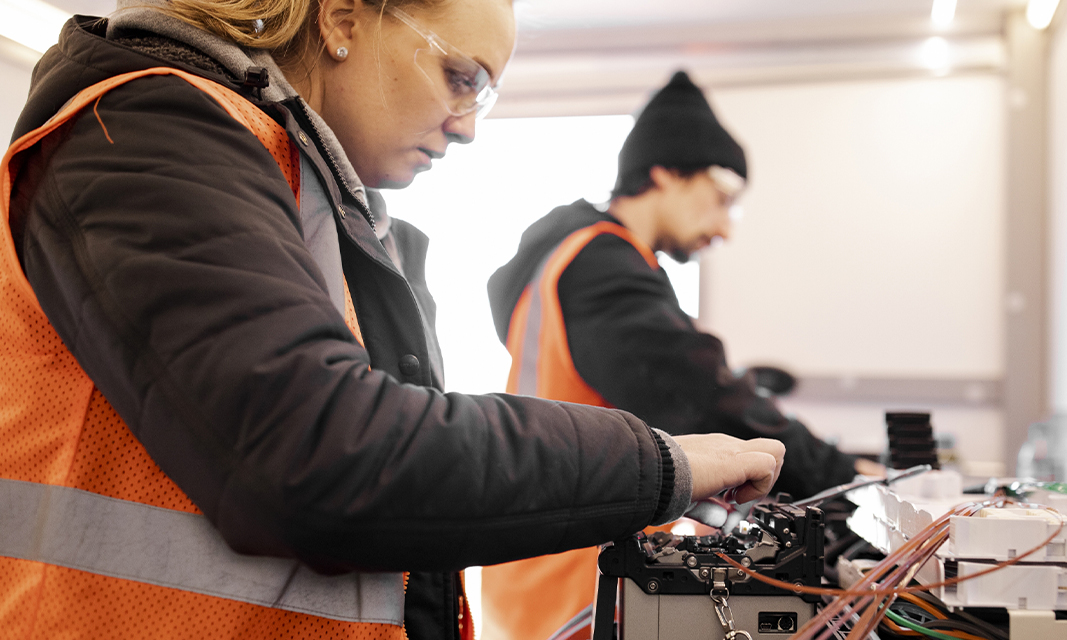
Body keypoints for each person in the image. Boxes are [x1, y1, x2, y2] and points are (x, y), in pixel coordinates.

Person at [0, 1, 788, 637]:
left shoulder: (319, 201)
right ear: (343, 18)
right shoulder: (143, 131)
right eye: (459, 75)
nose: (470, 122)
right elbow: (323, 452)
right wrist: (660, 465)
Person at [484, 70, 881, 640]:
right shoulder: (601, 266)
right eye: (720, 198)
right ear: (666, 172)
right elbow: (706, 399)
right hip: (578, 583)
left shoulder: (571, 258)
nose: (724, 228)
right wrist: (847, 479)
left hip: (545, 564)